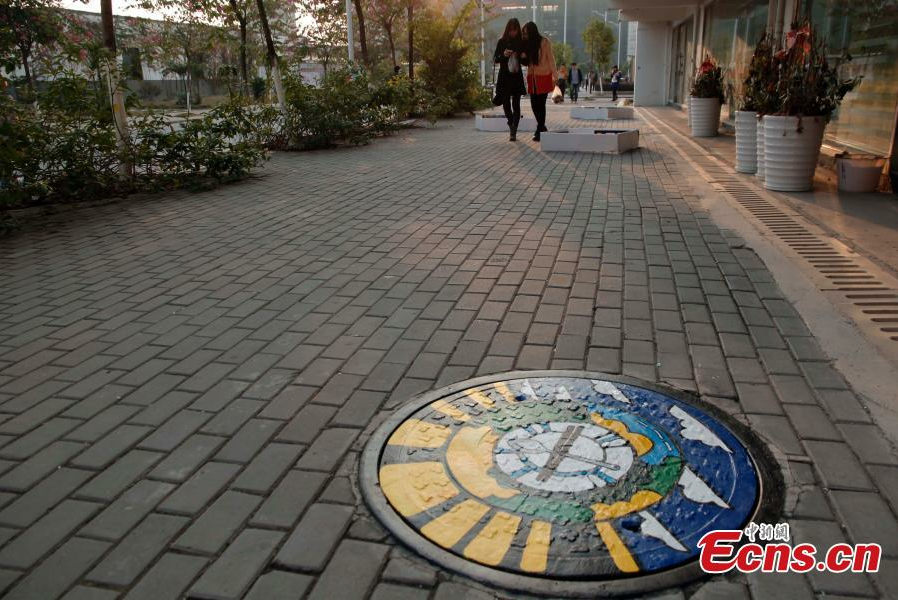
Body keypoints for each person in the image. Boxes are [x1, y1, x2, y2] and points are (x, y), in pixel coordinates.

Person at [520, 21, 556, 141]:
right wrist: (523, 56)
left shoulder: (544, 42)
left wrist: (555, 76)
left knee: (541, 104)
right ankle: (542, 127)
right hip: (532, 77)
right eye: (523, 33)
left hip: (544, 76)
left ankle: (539, 129)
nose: (524, 35)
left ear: (532, 31)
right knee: (534, 104)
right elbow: (525, 63)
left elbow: (550, 59)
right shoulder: (527, 44)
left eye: (526, 33)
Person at [493, 19, 527, 141]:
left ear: (518, 30)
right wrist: (503, 55)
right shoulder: (501, 42)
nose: (513, 32)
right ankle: (511, 123)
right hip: (504, 77)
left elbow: (526, 62)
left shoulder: (521, 43)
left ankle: (514, 130)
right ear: (508, 29)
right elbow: (496, 59)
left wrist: (523, 56)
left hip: (516, 76)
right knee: (506, 103)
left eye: (515, 29)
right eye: (511, 30)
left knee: (516, 103)